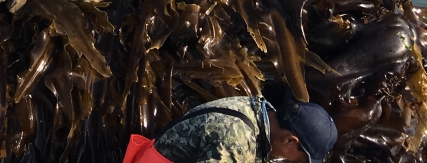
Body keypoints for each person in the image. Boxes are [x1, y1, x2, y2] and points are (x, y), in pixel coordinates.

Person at [123, 96, 338, 163]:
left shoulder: (260, 110)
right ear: (291, 140)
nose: (293, 162)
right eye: (300, 160)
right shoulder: (237, 141)